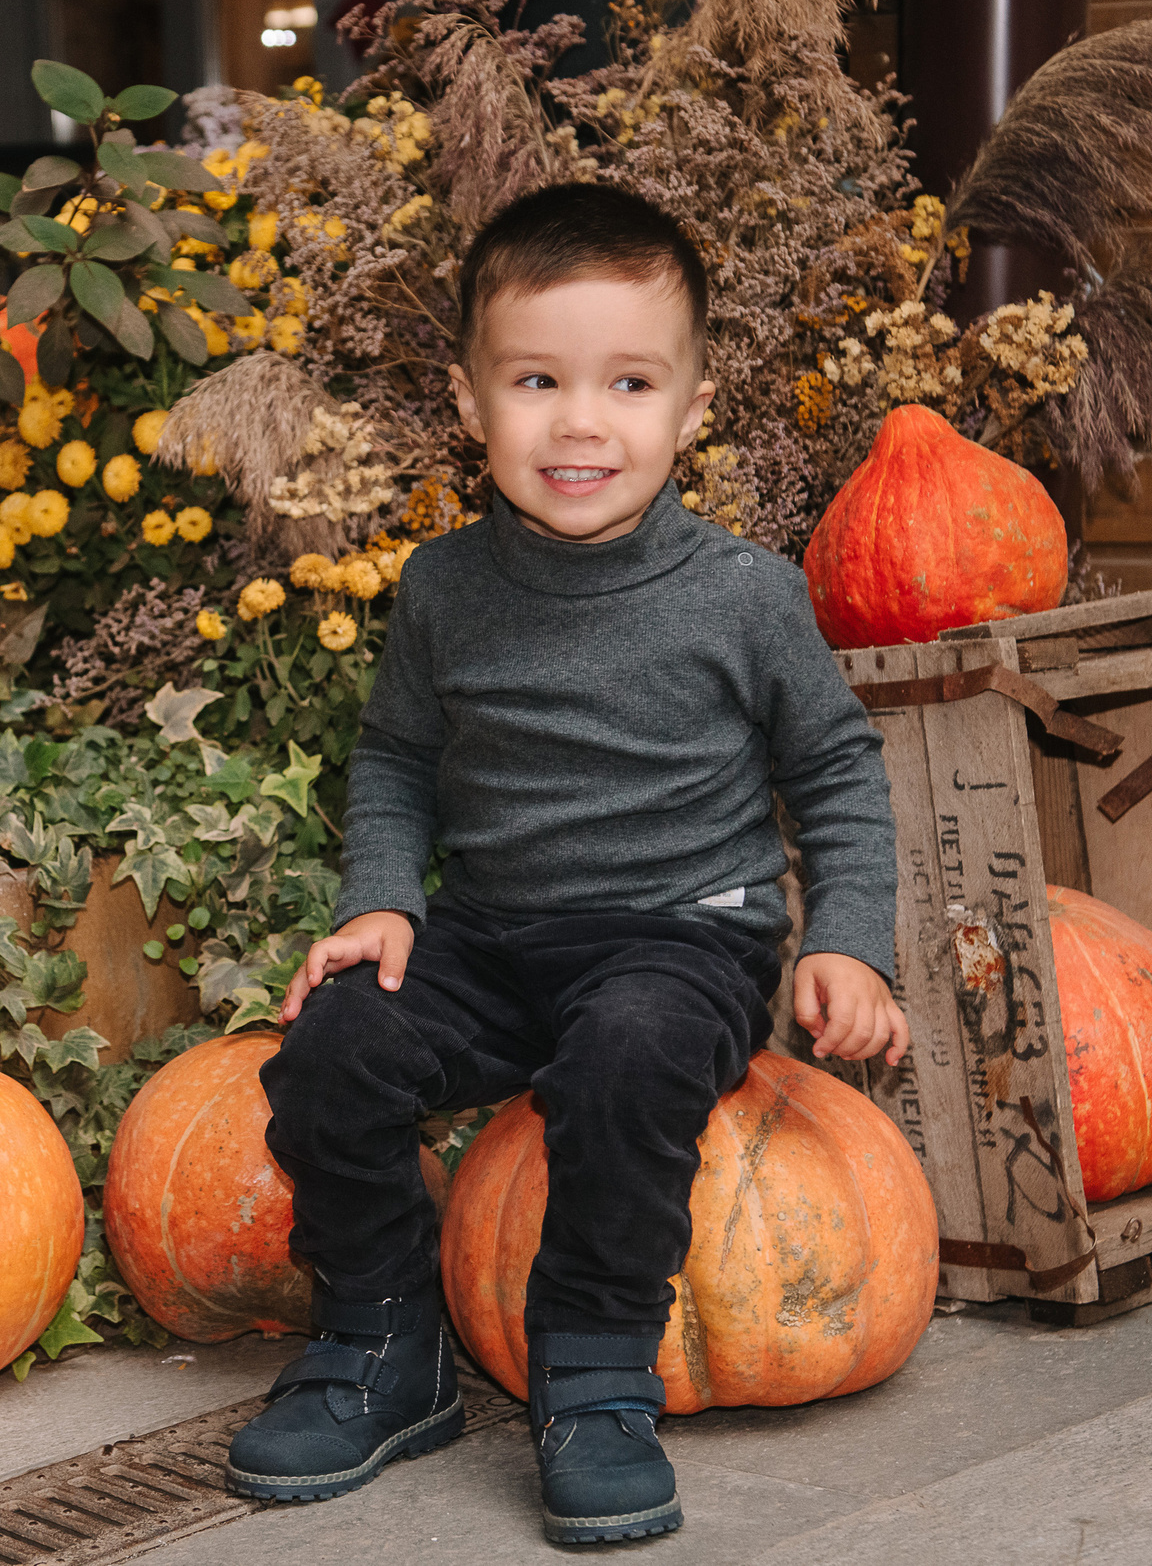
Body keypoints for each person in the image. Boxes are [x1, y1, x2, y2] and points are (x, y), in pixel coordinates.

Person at [223, 182, 910, 1544]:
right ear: (474, 408)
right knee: (333, 1054)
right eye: (537, 379)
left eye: (629, 382)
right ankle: (383, 1342)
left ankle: (594, 1369)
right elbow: (401, 764)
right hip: (488, 937)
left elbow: (834, 770)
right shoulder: (442, 589)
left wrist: (849, 936)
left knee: (628, 1055)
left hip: (679, 938)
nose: (582, 421)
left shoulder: (744, 594)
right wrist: (379, 903)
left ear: (692, 406)